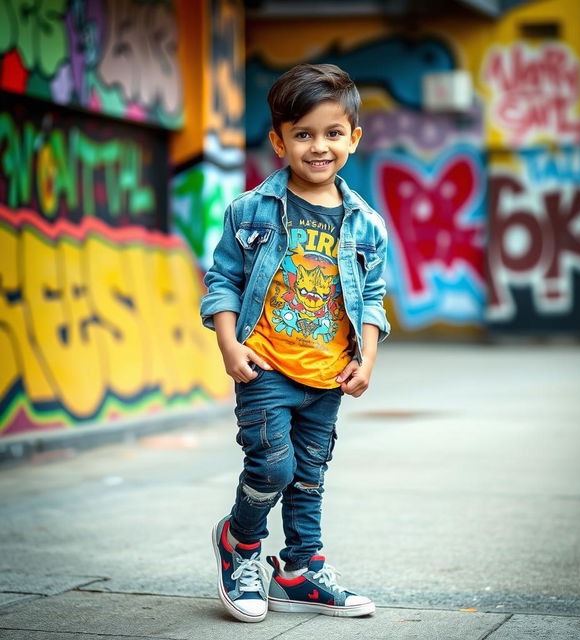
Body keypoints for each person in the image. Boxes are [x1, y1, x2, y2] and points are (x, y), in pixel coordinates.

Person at [200, 63, 390, 623]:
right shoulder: (251, 210)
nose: (318, 146)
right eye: (303, 134)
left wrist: (367, 357)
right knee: (273, 468)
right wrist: (230, 346)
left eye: (332, 133)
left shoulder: (367, 224)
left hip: (327, 373)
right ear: (278, 140)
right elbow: (223, 281)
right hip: (265, 367)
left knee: (311, 476)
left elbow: (372, 296)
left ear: (354, 139)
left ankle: (299, 570)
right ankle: (240, 544)